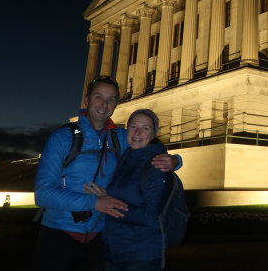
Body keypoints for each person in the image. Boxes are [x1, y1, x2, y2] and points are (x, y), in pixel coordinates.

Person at [33, 76, 181, 271]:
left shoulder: (121, 137)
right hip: (59, 235)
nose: (104, 105)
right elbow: (42, 194)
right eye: (99, 97)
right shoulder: (62, 137)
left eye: (111, 99)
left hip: (100, 239)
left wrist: (174, 160)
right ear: (87, 100)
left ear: (116, 104)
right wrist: (94, 202)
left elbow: (147, 144)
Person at [84, 109, 174, 270]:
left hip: (140, 255)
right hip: (114, 250)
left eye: (145, 128)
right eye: (133, 126)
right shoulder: (126, 157)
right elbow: (126, 195)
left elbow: (148, 216)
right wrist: (106, 196)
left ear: (154, 133)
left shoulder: (157, 165)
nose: (137, 132)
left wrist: (108, 205)